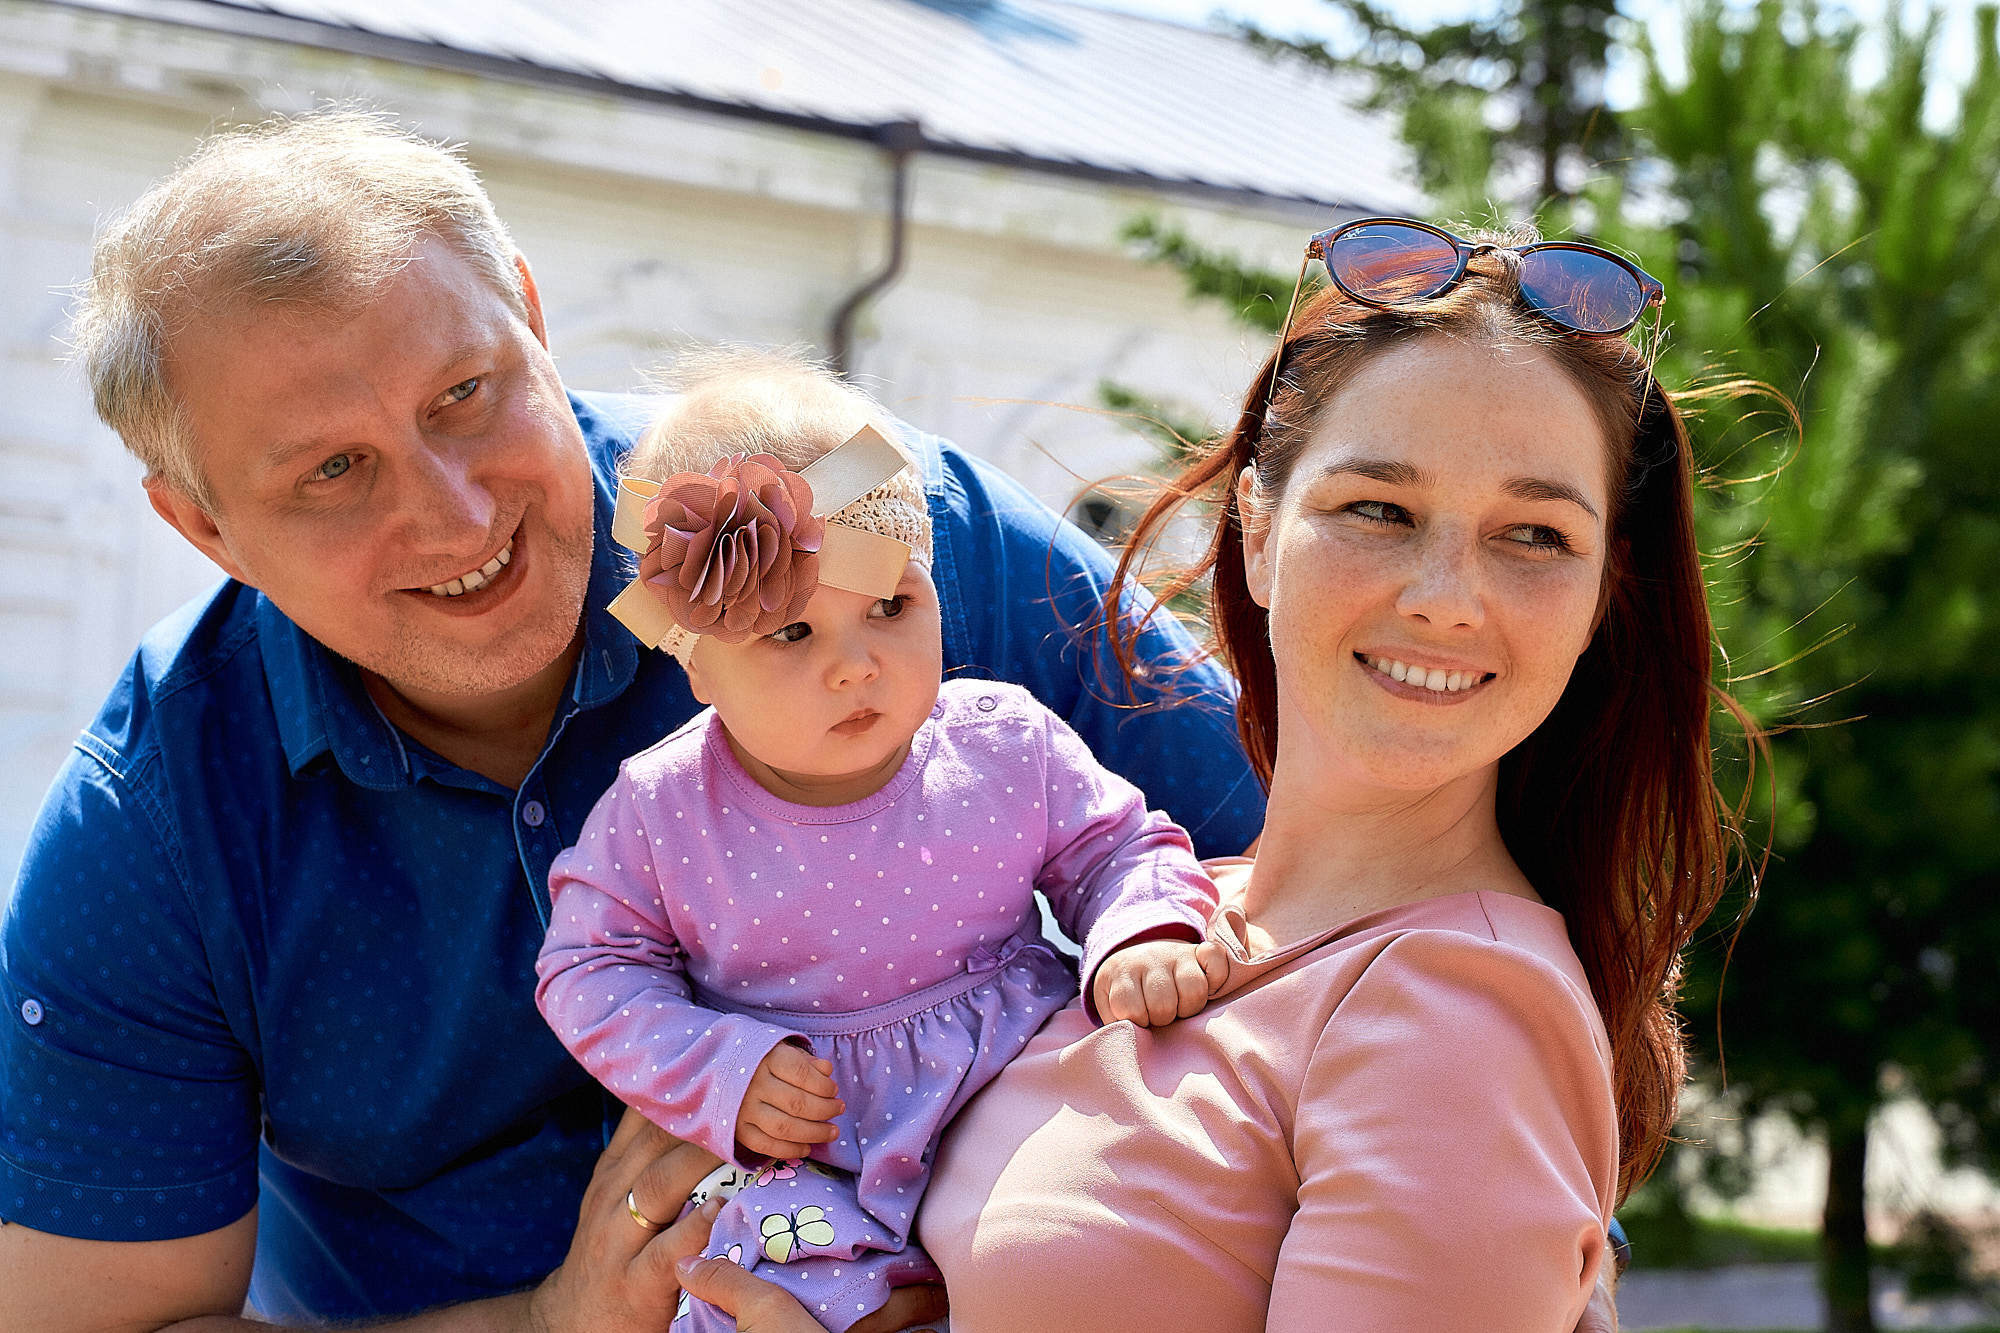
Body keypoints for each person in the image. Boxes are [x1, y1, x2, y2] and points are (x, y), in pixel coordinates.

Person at [0, 112, 1261, 1333]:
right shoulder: (153, 828)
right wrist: (547, 1327)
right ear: (202, 524)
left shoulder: (850, 508)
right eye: (333, 470)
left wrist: (1051, 1259)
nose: (452, 515)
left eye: (464, 393)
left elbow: (1314, 846)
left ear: (534, 322)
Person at [669, 219, 1747, 1331]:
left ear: (1601, 596)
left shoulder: (1456, 1014)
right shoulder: (1163, 908)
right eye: (1377, 509)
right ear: (1257, 526)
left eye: (1531, 535)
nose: (1443, 594)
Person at [533, 353, 1226, 1333]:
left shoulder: (1001, 743)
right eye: (790, 635)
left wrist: (1141, 929)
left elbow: (1115, 847)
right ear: (697, 665)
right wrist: (715, 1066)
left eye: (891, 607)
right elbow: (587, 970)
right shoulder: (662, 811)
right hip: (799, 1140)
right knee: (768, 1296)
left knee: (1098, 1247)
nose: (855, 666)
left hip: (1005, 1089)